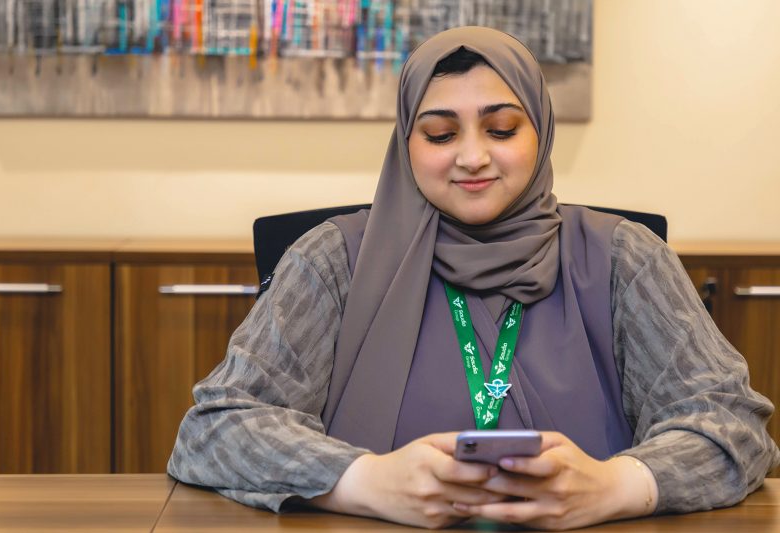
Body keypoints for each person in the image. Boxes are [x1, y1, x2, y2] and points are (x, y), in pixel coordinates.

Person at [168, 26, 780, 530]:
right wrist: (361, 480)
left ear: (541, 132)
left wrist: (617, 485)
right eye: (440, 133)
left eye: (502, 128)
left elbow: (730, 422)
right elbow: (217, 426)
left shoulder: (625, 258)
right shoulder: (332, 261)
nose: (472, 156)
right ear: (406, 144)